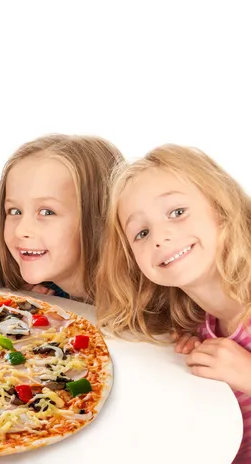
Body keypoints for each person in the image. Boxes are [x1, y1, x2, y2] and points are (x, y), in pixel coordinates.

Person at [96, 144, 251, 462]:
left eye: (177, 213)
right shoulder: (201, 322)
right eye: (141, 232)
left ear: (221, 208)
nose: (159, 237)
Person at [0, 134, 124, 302]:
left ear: (99, 219)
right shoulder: (43, 296)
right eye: (14, 211)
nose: (21, 230)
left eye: (46, 212)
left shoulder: (150, 311)